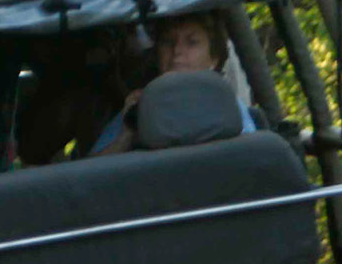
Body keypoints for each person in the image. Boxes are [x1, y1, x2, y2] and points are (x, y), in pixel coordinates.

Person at [88, 13, 256, 157]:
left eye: (192, 42)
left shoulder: (229, 107)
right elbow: (89, 178)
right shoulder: (138, 108)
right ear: (157, 55)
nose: (177, 51)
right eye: (168, 41)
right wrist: (127, 134)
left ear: (214, 58)